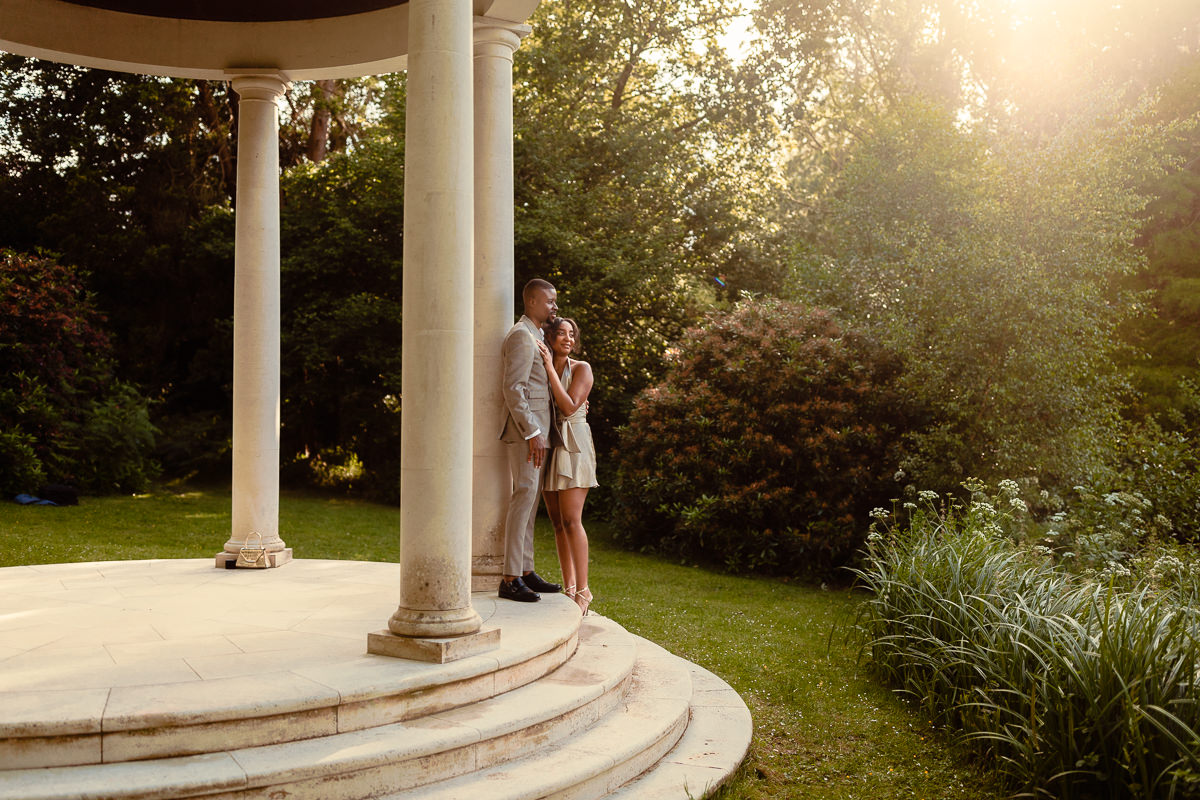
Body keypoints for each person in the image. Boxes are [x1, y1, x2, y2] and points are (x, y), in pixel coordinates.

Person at [498, 278, 564, 602]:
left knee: (531, 501)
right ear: (533, 302)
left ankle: (525, 570)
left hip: (537, 433)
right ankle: (509, 578)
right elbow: (514, 389)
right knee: (523, 497)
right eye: (550, 301)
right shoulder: (521, 337)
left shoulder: (536, 335)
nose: (555, 307)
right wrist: (533, 432)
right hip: (526, 435)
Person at [537, 316, 598, 615]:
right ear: (549, 337)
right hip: (552, 445)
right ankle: (569, 587)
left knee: (573, 520)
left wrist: (550, 368)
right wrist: (547, 369)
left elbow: (570, 406)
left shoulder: (581, 368)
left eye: (571, 334)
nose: (567, 338)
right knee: (558, 523)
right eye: (560, 333)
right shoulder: (542, 366)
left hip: (574, 446)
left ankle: (584, 591)